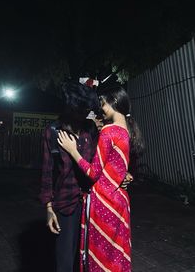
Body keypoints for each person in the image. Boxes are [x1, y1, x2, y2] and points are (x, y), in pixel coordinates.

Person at [58, 86, 143, 271]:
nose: (100, 109)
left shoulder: (108, 131)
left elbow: (93, 173)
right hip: (120, 201)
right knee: (115, 255)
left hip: (104, 201)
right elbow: (118, 168)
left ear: (113, 103)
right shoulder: (126, 131)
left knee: (100, 258)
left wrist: (73, 151)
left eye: (103, 104)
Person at [40, 82, 99, 272]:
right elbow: (47, 172)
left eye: (87, 109)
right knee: (65, 261)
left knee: (91, 258)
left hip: (93, 201)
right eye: (81, 109)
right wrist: (49, 208)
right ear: (70, 107)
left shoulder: (90, 129)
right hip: (66, 203)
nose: (84, 114)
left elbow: (100, 162)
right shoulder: (53, 132)